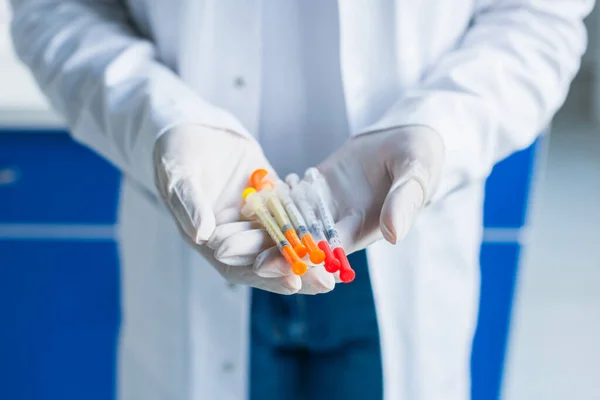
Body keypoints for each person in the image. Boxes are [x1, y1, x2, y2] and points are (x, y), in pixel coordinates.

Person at [10, 0, 592, 399]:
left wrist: (443, 125)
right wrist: (159, 119)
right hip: (205, 230)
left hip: (395, 240)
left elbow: (537, 14)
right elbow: (56, 9)